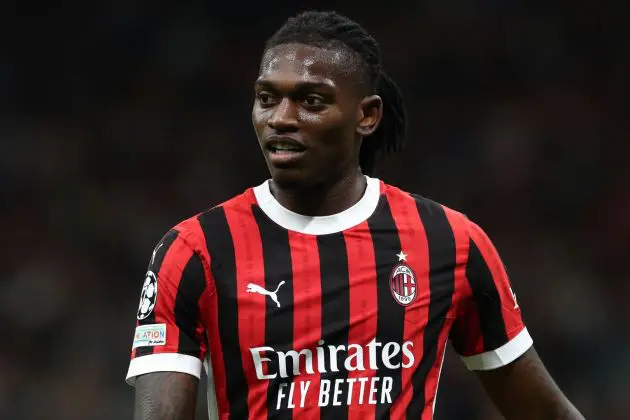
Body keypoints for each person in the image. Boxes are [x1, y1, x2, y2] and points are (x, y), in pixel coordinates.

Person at [126, 10, 584, 420]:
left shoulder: (450, 242)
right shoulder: (194, 250)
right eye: (267, 98)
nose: (281, 118)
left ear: (367, 115)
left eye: (311, 101)